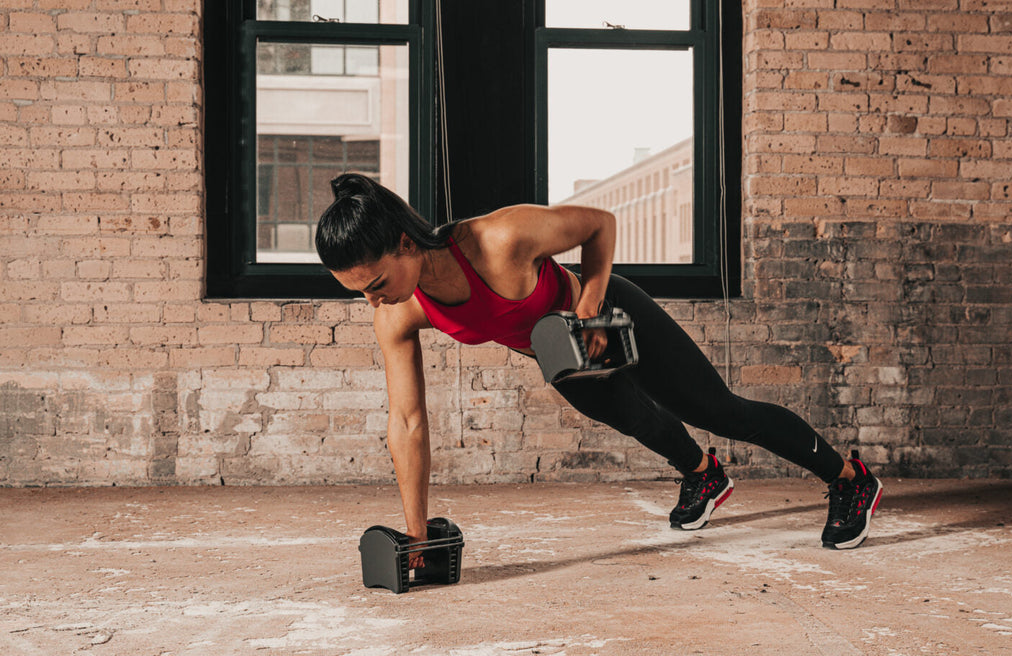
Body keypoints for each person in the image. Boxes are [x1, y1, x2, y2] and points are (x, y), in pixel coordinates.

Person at [316, 173, 883, 565]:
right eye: (358, 293)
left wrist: (588, 303)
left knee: (717, 410)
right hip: (561, 350)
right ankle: (703, 474)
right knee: (637, 419)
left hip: (609, 314)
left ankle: (850, 480)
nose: (373, 302)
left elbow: (599, 223)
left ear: (403, 243)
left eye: (375, 284)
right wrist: (417, 534)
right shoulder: (400, 311)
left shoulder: (500, 238)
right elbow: (408, 422)